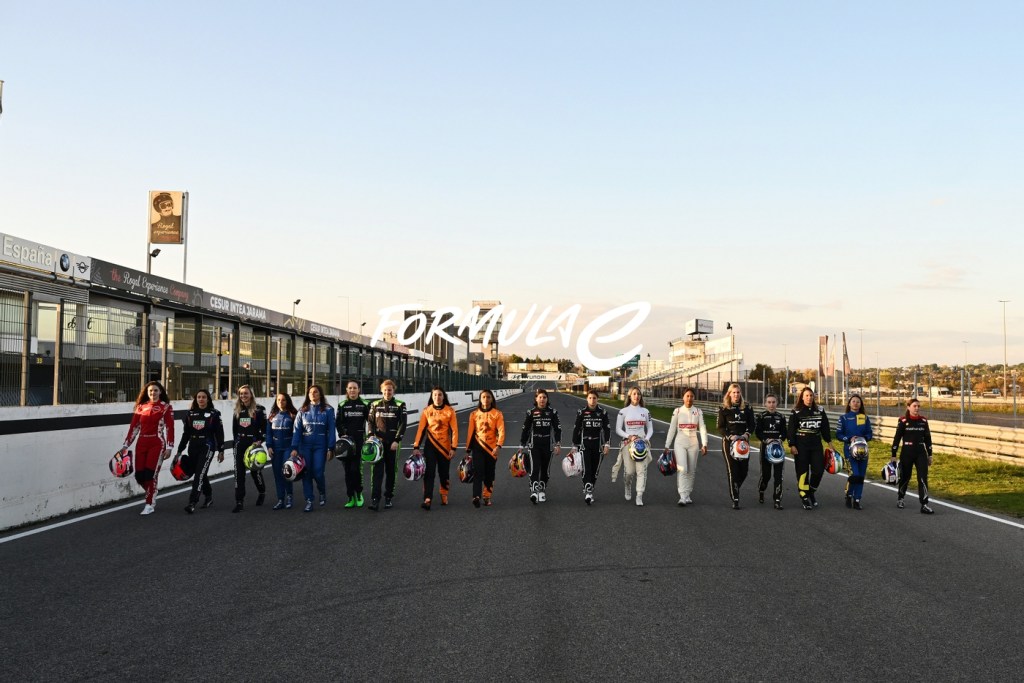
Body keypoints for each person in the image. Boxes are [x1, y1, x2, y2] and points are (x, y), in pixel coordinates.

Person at [121, 381, 175, 515]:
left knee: (150, 475)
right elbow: (134, 428)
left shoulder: (166, 407)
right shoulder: (140, 407)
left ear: (160, 392)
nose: (153, 393)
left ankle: (149, 503)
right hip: (141, 442)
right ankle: (152, 490)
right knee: (139, 476)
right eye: (150, 391)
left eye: (156, 390)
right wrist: (125, 445)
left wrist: (169, 447)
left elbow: (170, 428)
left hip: (157, 443)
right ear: (147, 392)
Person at [176, 389, 225, 513]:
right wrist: (180, 450)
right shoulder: (190, 414)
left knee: (199, 474)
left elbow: (219, 433)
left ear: (208, 399)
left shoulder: (214, 413)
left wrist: (221, 450)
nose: (201, 399)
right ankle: (208, 496)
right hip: (193, 446)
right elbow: (186, 433)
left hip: (207, 446)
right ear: (196, 399)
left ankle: (192, 502)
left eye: (204, 397)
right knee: (200, 473)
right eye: (199, 397)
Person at [291, 384, 336, 512]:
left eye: (315, 392)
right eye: (310, 392)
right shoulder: (302, 410)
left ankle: (322, 491)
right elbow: (297, 430)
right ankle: (309, 500)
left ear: (320, 394)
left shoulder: (328, 410)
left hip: (320, 446)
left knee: (317, 472)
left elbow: (332, 430)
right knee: (306, 473)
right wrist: (294, 447)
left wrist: (330, 448)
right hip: (305, 446)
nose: (313, 394)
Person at [412, 386, 459, 510]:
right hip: (430, 447)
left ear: (443, 397)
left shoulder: (450, 411)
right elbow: (421, 430)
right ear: (431, 397)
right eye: (435, 395)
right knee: (429, 473)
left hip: (445, 448)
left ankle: (444, 494)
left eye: (439, 395)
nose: (437, 397)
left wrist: (453, 448)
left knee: (444, 474)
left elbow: (454, 430)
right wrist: (416, 445)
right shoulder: (427, 410)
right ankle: (427, 499)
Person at [788, 387, 834, 510]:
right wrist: (792, 445)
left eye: (811, 395)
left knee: (818, 470)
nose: (809, 398)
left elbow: (825, 427)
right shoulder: (796, 411)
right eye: (807, 395)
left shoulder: (820, 410)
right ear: (802, 397)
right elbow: (791, 429)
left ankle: (811, 492)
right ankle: (804, 496)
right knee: (803, 472)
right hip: (801, 445)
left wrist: (829, 442)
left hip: (816, 445)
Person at [366, 379, 407, 511]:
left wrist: (397, 440)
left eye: (390, 390)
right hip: (378, 444)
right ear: (381, 390)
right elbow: (370, 422)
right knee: (377, 472)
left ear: (393, 391)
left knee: (390, 471)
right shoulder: (375, 404)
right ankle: (375, 499)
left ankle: (388, 496)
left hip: (393, 444)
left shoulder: (400, 404)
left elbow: (403, 424)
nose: (387, 392)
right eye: (385, 389)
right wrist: (371, 436)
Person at [664, 388, 708, 507]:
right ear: (683, 397)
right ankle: (682, 496)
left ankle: (688, 494)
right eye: (687, 396)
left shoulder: (698, 411)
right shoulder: (677, 411)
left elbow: (703, 428)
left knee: (691, 470)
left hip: (693, 443)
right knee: (682, 468)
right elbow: (672, 429)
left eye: (691, 396)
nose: (689, 398)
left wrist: (704, 444)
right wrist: (667, 445)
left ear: (694, 398)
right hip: (680, 443)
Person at [891, 398, 935, 514]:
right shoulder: (903, 420)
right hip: (907, 452)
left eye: (918, 406)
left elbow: (928, 439)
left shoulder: (924, 421)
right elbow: (897, 438)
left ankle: (924, 504)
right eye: (914, 406)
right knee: (905, 477)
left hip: (921, 452)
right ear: (908, 407)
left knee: (923, 478)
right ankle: (901, 498)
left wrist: (930, 455)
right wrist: (893, 454)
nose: (917, 408)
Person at [612, 387, 654, 506]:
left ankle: (639, 495)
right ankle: (627, 485)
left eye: (639, 394)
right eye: (634, 394)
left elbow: (650, 429)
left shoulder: (646, 411)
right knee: (629, 472)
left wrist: (646, 439)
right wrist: (629, 436)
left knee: (642, 470)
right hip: (628, 442)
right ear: (630, 396)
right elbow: (618, 429)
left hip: (642, 443)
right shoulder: (623, 411)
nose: (637, 396)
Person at [717, 383, 756, 510]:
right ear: (729, 394)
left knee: (744, 471)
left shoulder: (748, 408)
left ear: (741, 394)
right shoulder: (723, 408)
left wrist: (746, 434)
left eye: (738, 392)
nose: (736, 395)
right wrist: (729, 436)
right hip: (729, 442)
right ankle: (735, 498)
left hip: (743, 442)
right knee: (732, 470)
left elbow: (752, 425)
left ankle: (734, 486)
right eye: (733, 392)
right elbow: (720, 427)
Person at [520, 388, 562, 504]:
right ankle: (534, 491)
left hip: (548, 445)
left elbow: (557, 429)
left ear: (547, 399)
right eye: (540, 397)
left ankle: (542, 490)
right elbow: (525, 429)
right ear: (536, 399)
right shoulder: (531, 412)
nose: (542, 399)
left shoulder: (552, 412)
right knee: (535, 468)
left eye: (544, 397)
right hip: (534, 445)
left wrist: (557, 444)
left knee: (545, 470)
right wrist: (522, 444)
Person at [465, 389, 505, 507]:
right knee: (478, 472)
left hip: (492, 449)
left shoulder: (497, 414)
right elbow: (470, 432)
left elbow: (501, 431)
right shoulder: (474, 414)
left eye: (488, 397)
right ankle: (476, 496)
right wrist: (468, 449)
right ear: (480, 399)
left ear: (492, 399)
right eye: (483, 397)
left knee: (489, 474)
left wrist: (499, 446)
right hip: (478, 447)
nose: (486, 399)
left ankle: (487, 496)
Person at [231, 385, 267, 513]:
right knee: (238, 474)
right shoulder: (237, 410)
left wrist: (260, 441)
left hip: (254, 445)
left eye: (246, 393)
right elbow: (235, 430)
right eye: (241, 394)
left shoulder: (259, 410)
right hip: (240, 444)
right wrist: (235, 443)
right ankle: (239, 501)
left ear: (251, 394)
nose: (243, 396)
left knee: (254, 471)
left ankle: (262, 491)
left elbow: (265, 429)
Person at [572, 389, 610, 505]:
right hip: (585, 446)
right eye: (590, 398)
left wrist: (607, 444)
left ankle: (590, 488)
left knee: (595, 471)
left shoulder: (603, 412)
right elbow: (576, 429)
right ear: (587, 399)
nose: (592, 400)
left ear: (597, 399)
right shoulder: (581, 412)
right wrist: (574, 445)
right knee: (587, 468)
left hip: (598, 446)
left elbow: (607, 429)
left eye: (594, 398)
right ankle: (588, 492)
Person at [336, 380, 371, 508]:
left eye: (354, 388)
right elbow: (338, 423)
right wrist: (342, 434)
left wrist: (370, 437)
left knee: (355, 469)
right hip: (345, 443)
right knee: (347, 471)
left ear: (359, 390)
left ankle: (359, 493)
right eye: (350, 388)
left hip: (359, 441)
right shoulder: (342, 405)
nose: (352, 390)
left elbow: (371, 422)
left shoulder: (365, 404)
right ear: (346, 390)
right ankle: (350, 496)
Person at [836, 393, 874, 510]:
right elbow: (838, 434)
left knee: (861, 476)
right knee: (855, 474)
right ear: (849, 403)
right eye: (853, 401)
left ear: (861, 404)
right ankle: (849, 494)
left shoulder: (864, 417)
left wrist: (864, 438)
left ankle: (857, 499)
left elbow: (869, 433)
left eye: (858, 401)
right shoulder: (844, 418)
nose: (856, 403)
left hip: (863, 450)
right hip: (849, 450)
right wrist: (848, 438)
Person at [754, 393, 787, 510]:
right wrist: (766, 440)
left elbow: (784, 432)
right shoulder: (761, 416)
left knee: (779, 476)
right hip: (765, 449)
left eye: (773, 402)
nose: (771, 405)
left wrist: (780, 438)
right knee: (766, 476)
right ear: (765, 404)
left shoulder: (781, 417)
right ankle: (761, 490)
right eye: (769, 402)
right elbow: (758, 432)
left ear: (777, 403)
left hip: (778, 449)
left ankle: (777, 500)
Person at [266, 392, 298, 510]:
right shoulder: (272, 416)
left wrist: (295, 448)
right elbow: (268, 433)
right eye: (278, 400)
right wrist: (269, 446)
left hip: (288, 448)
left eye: (283, 400)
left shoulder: (293, 415)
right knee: (277, 475)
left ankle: (289, 496)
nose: (281, 402)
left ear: (287, 401)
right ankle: (280, 499)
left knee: (286, 473)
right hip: (275, 449)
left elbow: (296, 433)